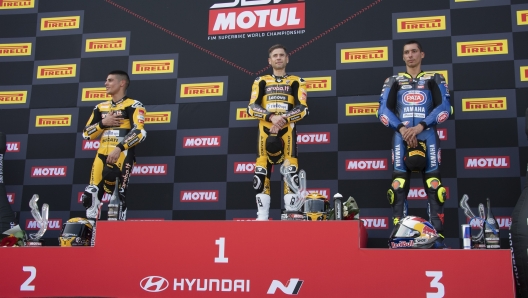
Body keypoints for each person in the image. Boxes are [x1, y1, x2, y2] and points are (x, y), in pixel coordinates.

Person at [377, 40, 452, 246]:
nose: (410, 55)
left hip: (427, 136)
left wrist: (420, 127)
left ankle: (437, 236)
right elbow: (382, 110)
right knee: (398, 187)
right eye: (406, 52)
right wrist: (402, 129)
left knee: (435, 187)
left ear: (422, 54)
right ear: (403, 57)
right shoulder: (393, 80)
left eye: (414, 51)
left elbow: (445, 107)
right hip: (401, 137)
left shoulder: (434, 78)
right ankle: (399, 236)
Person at [247, 44, 309, 221]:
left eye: (282, 55)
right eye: (275, 55)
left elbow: (303, 108)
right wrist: (271, 117)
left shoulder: (298, 81)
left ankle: (290, 214)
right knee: (260, 172)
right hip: (265, 132)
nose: (279, 58)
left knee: (290, 172)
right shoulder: (261, 81)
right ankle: (262, 217)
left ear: (287, 58)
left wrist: (281, 120)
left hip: (287, 132)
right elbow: (251, 108)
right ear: (270, 60)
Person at [81, 70, 147, 222]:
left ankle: (115, 238)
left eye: (110, 80)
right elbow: (86, 134)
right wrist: (103, 123)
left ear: (122, 83)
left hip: (121, 155)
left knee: (117, 198)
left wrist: (119, 148)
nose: (106, 84)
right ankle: (92, 238)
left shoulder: (134, 105)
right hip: (100, 155)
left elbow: (140, 132)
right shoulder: (100, 107)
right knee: (91, 196)